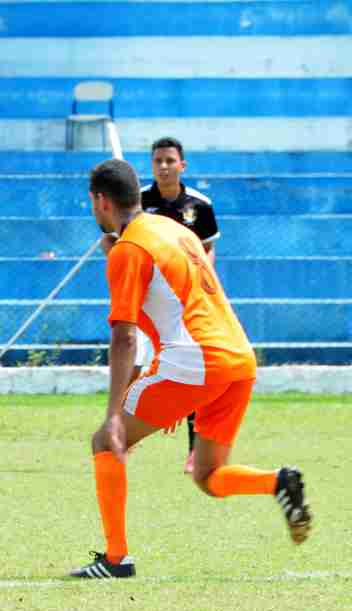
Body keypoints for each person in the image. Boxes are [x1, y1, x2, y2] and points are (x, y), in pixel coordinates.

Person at [70, 159, 311, 579]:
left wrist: (114, 415)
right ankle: (278, 481)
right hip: (237, 358)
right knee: (208, 474)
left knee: (106, 442)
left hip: (196, 360)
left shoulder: (130, 250)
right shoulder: (176, 231)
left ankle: (115, 558)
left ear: (100, 201)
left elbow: (125, 338)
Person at [141, 137, 221, 474]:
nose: (163, 166)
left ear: (182, 165)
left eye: (169, 161)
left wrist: (204, 286)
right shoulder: (140, 201)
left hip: (186, 301)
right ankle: (123, 435)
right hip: (148, 300)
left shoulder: (199, 205)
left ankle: (194, 449)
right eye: (158, 160)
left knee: (193, 369)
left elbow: (207, 250)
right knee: (136, 365)